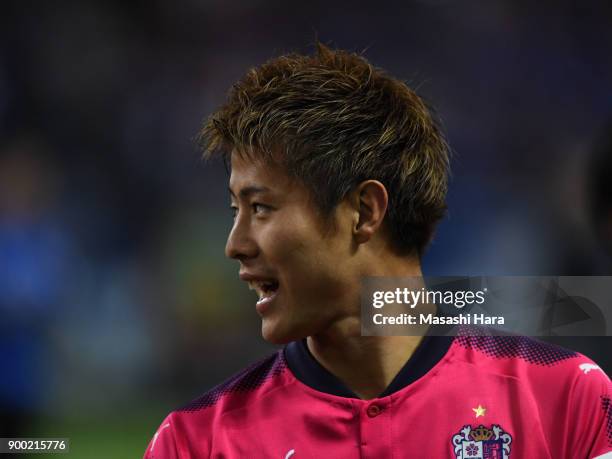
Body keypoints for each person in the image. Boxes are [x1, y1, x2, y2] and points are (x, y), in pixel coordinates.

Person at [144, 44, 611, 458]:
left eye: (261, 207)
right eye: (235, 210)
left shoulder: (569, 402)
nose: (235, 245)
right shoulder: (194, 442)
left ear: (364, 212)